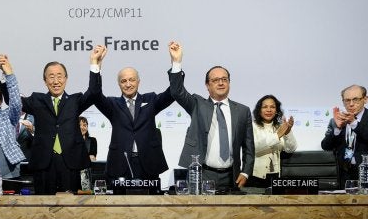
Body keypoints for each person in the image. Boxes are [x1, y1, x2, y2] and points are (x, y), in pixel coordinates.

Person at [168, 42, 254, 193]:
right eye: (215, 80)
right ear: (207, 85)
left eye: (224, 79)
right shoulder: (198, 105)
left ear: (229, 82)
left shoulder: (242, 111)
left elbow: (249, 147)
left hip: (232, 176)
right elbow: (177, 92)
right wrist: (176, 62)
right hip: (202, 174)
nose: (221, 83)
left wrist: (245, 171)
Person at [20, 46, 104, 194]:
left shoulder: (75, 100)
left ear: (66, 79)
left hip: (71, 163)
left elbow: (94, 92)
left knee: (72, 209)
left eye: (60, 76)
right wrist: (6, 74)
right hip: (44, 163)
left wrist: (94, 63)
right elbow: (12, 101)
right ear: (45, 80)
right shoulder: (37, 100)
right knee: (43, 208)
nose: (56, 81)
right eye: (51, 77)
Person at [92, 44, 177, 182]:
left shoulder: (150, 100)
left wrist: (176, 64)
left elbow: (173, 93)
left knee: (149, 203)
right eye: (123, 81)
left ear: (138, 82)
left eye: (132, 80)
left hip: (148, 163)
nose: (128, 84)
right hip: (120, 162)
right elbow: (95, 94)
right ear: (119, 84)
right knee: (119, 204)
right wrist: (96, 65)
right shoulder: (112, 104)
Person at [321, 84, 368, 189]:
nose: (351, 104)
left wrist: (354, 123)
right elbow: (325, 146)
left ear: (365, 99)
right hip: (344, 174)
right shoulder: (336, 120)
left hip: (365, 172)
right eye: (347, 100)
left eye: (355, 99)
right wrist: (337, 129)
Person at [247, 95, 297, 188]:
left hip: (275, 176)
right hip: (255, 177)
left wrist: (288, 131)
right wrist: (277, 135)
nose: (269, 110)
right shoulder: (252, 126)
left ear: (276, 110)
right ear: (259, 110)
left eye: (272, 107)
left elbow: (291, 149)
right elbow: (255, 148)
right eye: (265, 107)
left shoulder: (280, 127)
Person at [79, 116, 97, 190]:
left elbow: (92, 158)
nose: (82, 127)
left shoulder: (92, 140)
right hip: (72, 174)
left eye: (85, 125)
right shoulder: (70, 141)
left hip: (87, 174)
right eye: (79, 125)